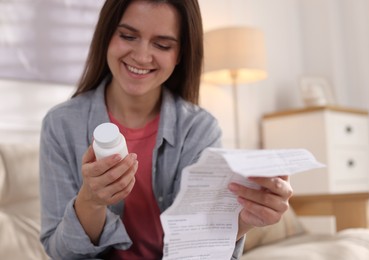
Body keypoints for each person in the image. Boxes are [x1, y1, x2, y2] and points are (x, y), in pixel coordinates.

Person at [39, 0, 293, 259]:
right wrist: (90, 201)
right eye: (128, 36)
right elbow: (60, 253)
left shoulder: (199, 129)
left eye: (162, 44)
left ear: (180, 53)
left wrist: (243, 221)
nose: (141, 56)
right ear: (107, 35)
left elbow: (201, 245)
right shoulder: (61, 125)